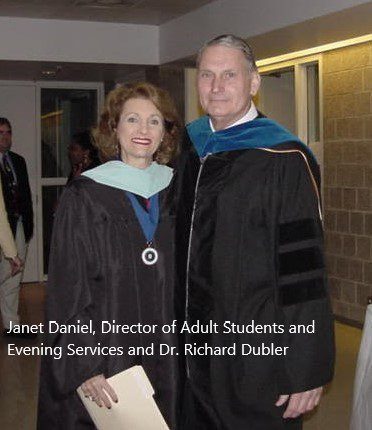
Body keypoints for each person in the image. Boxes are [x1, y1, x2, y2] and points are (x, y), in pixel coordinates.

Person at [175, 34, 335, 430]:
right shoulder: (191, 146)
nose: (216, 86)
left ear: (254, 83)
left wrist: (306, 366)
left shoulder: (284, 159)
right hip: (191, 347)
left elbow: (304, 271)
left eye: (229, 74)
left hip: (256, 350)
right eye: (207, 75)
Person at [37, 82, 181, 430]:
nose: (143, 130)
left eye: (154, 121)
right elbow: (67, 288)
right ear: (114, 128)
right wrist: (84, 363)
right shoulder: (86, 195)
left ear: (166, 133)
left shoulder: (178, 190)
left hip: (167, 349)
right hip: (105, 348)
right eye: (132, 119)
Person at [0, 117, 34, 338]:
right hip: (2, 227)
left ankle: (12, 324)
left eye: (8, 132)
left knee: (13, 275)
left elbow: (26, 196)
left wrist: (28, 224)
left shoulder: (18, 161)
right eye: (1, 132)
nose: (5, 137)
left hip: (18, 225)